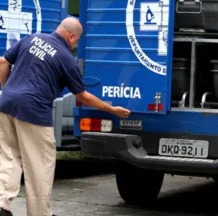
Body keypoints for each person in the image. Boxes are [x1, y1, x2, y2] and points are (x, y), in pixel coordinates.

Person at [0, 17, 131, 216]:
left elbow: (3, 61)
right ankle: (40, 213)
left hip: (6, 104)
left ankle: (2, 205)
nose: (75, 44)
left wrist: (7, 89)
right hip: (35, 111)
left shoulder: (32, 38)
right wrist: (112, 110)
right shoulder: (66, 59)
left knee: (8, 156)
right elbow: (82, 95)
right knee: (40, 164)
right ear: (71, 37)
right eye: (76, 41)